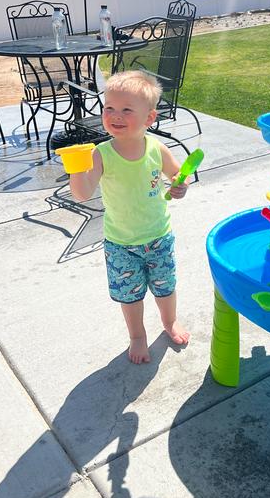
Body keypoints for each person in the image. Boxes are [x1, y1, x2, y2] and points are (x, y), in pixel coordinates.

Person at [69, 70, 190, 363]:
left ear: (150, 118)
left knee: (165, 287)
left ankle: (169, 321)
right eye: (109, 108)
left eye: (126, 109)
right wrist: (75, 167)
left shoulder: (157, 148)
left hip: (158, 236)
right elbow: (82, 194)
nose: (115, 115)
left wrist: (179, 185)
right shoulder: (101, 154)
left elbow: (177, 174)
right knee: (129, 296)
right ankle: (137, 336)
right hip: (121, 243)